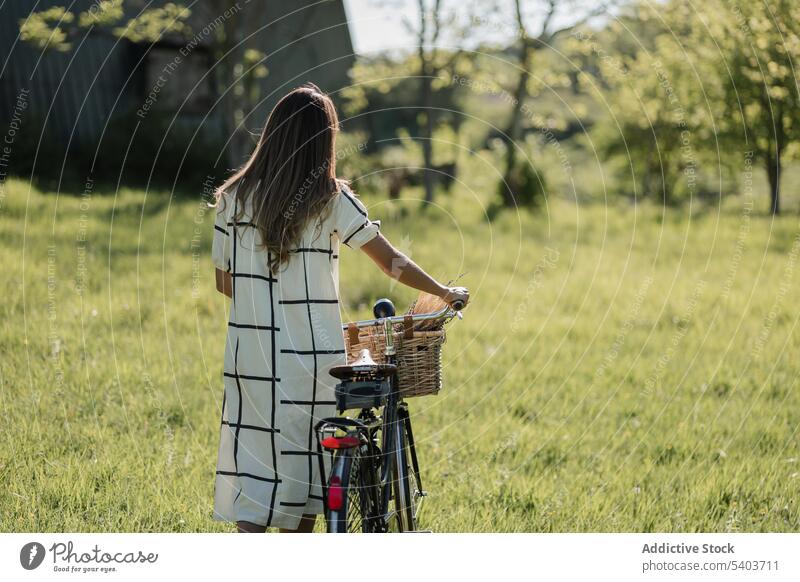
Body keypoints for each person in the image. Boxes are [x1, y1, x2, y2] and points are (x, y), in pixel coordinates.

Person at [210, 83, 469, 533]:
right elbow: (392, 262)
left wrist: (268, 303)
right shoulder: (330, 199)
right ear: (324, 141)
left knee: (255, 468)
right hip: (312, 357)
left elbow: (223, 282)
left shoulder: (232, 199)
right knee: (307, 469)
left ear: (272, 134)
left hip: (249, 355)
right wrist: (444, 292)